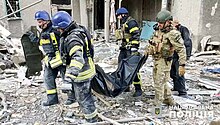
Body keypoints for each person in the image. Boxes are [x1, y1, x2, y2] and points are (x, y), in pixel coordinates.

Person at [52, 11, 98, 123]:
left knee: (83, 98)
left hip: (82, 73)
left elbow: (78, 59)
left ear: (63, 26)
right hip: (89, 69)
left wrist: (68, 79)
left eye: (58, 28)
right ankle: (92, 114)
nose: (58, 31)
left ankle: (91, 119)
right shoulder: (80, 30)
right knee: (87, 95)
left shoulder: (73, 38)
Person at [27, 10, 75, 106]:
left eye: (40, 22)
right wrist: (35, 40)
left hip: (60, 59)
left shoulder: (56, 29)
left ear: (46, 21)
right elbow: (43, 44)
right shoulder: (43, 32)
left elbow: (64, 38)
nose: (39, 24)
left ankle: (72, 97)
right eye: (38, 22)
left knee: (66, 78)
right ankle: (52, 99)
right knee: (48, 78)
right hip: (50, 60)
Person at [144, 10, 186, 106]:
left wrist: (182, 65)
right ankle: (169, 100)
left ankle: (157, 106)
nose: (159, 25)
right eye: (158, 23)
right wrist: (146, 52)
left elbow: (181, 49)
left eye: (161, 23)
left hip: (165, 61)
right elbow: (152, 43)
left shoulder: (173, 34)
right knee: (160, 81)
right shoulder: (158, 31)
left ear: (168, 22)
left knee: (159, 82)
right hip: (157, 59)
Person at [115, 7, 143, 97]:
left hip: (130, 49)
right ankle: (125, 86)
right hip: (124, 49)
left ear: (123, 14)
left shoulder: (131, 23)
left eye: (119, 16)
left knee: (133, 69)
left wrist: (134, 48)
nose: (118, 18)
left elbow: (136, 35)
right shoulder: (124, 23)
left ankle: (138, 88)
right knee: (121, 66)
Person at [170, 20, 192, 98]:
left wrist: (187, 55)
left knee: (179, 74)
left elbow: (187, 42)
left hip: (179, 55)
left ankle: (183, 92)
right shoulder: (171, 30)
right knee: (173, 73)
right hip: (172, 55)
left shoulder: (183, 29)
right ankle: (176, 88)